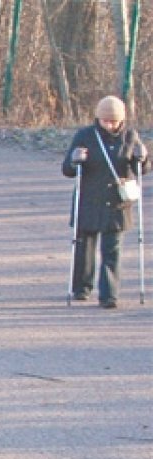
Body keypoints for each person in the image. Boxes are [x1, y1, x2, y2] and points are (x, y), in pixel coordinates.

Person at [61, 95, 149, 308]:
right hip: (88, 200)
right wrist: (75, 159)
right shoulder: (85, 136)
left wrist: (143, 157)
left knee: (112, 250)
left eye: (115, 121)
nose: (110, 125)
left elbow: (142, 170)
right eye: (106, 120)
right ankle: (82, 288)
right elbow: (67, 170)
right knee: (84, 247)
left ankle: (109, 295)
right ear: (98, 118)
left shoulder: (130, 136)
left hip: (117, 203)